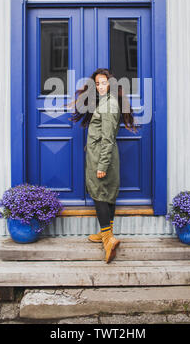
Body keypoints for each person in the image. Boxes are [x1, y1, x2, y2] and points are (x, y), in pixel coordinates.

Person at [69, 68, 137, 263]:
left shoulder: (109, 105)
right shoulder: (106, 102)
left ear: (111, 84)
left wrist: (102, 165)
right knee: (107, 194)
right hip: (100, 155)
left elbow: (107, 139)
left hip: (101, 156)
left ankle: (108, 240)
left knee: (99, 194)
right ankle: (105, 231)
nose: (100, 87)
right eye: (97, 83)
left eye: (103, 83)